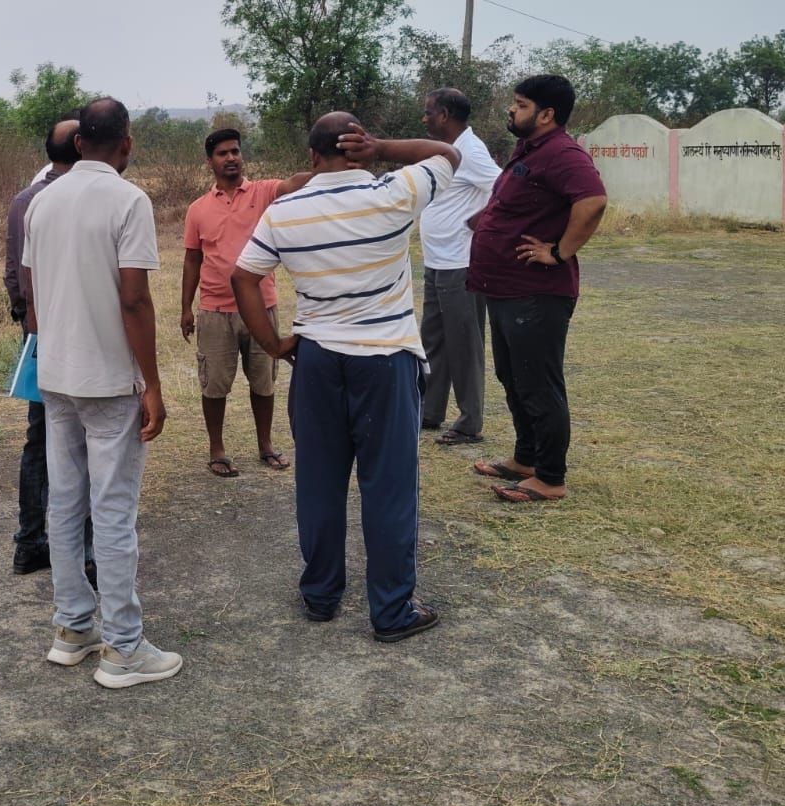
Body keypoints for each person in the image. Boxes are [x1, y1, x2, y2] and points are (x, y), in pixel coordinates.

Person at [230, 113, 458, 642]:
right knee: (390, 487)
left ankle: (321, 594)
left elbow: (243, 276)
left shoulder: (284, 210)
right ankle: (392, 611)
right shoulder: (393, 193)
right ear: (358, 151)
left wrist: (274, 343)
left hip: (315, 361)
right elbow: (448, 155)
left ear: (311, 157)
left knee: (319, 482)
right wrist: (383, 148)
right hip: (385, 359)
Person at [22, 97, 182, 689]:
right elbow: (134, 298)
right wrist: (153, 383)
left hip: (56, 376)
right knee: (113, 511)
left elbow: (34, 302)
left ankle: (73, 628)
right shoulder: (127, 199)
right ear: (126, 143)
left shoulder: (42, 201)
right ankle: (124, 648)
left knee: (64, 502)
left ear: (80, 141)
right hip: (109, 379)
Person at [467, 75, 608, 504]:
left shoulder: (564, 153)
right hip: (506, 287)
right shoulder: (530, 149)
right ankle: (525, 459)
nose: (512, 110)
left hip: (536, 291)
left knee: (538, 383)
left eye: (521, 104)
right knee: (512, 376)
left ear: (547, 114)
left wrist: (559, 252)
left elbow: (593, 201)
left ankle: (550, 476)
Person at [180, 128, 311, 477]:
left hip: (261, 306)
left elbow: (293, 184)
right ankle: (217, 449)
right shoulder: (197, 209)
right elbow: (192, 260)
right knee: (215, 383)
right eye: (222, 153)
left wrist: (327, 161)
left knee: (263, 381)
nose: (231, 158)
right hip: (214, 310)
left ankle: (265, 444)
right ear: (210, 162)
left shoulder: (264, 192)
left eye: (236, 151)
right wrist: (185, 308)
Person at [3, 117, 96, 585]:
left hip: (37, 336)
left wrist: (28, 323)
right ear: (82, 147)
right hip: (78, 335)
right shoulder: (80, 198)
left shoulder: (24, 201)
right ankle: (86, 552)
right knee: (87, 440)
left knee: (40, 439)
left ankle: (30, 541)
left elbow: (13, 276)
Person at [417, 88, 502, 446]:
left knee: (464, 343)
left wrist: (482, 217)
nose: (425, 118)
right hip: (437, 261)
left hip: (460, 263)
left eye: (429, 112)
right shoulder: (447, 151)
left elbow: (506, 187)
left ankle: (470, 423)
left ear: (446, 114)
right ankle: (430, 411)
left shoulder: (473, 150)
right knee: (433, 340)